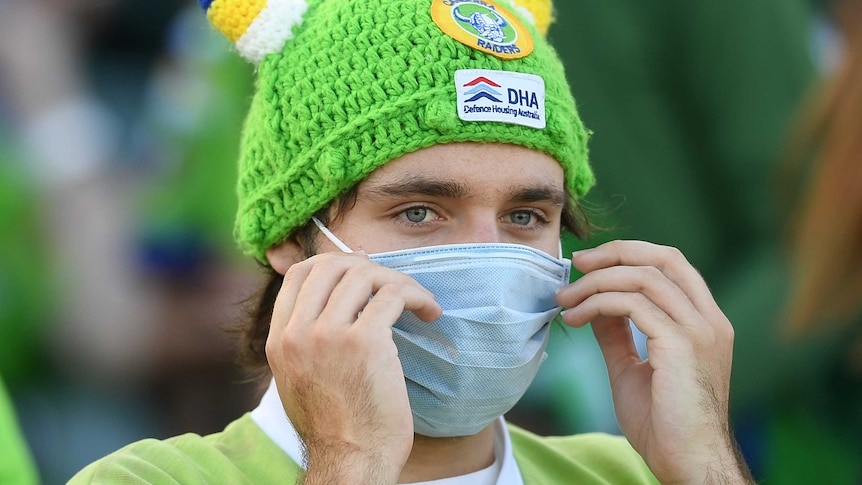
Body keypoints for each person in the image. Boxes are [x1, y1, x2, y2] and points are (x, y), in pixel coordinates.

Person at [69, 0, 752, 483]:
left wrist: (706, 464)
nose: (488, 259)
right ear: (289, 237)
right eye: (421, 212)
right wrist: (349, 464)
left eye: (524, 217)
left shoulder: (629, 475)